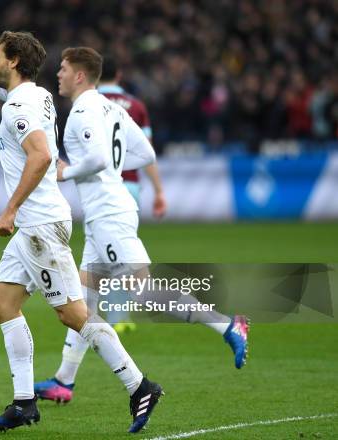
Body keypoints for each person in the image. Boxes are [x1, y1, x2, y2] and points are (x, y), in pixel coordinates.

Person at [0, 17, 162, 434]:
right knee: (4, 304)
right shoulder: (33, 94)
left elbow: (40, 156)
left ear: (15, 60)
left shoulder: (19, 106)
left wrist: (9, 209)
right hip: (35, 226)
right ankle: (24, 403)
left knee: (74, 314)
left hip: (39, 224)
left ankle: (140, 387)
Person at [33, 48, 249, 409]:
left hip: (108, 216)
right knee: (84, 299)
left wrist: (65, 172)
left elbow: (100, 157)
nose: (58, 74)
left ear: (81, 76)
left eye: (64, 69)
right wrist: (113, 172)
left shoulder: (84, 110)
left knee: (143, 293)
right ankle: (64, 380)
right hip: (111, 210)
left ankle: (228, 325)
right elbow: (147, 154)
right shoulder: (114, 108)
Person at [99, 55, 166, 333]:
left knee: (107, 254)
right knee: (118, 252)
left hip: (101, 188)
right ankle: (120, 315)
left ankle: (114, 315)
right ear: (120, 74)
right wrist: (159, 191)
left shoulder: (87, 105)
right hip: (130, 187)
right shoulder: (136, 106)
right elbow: (145, 152)